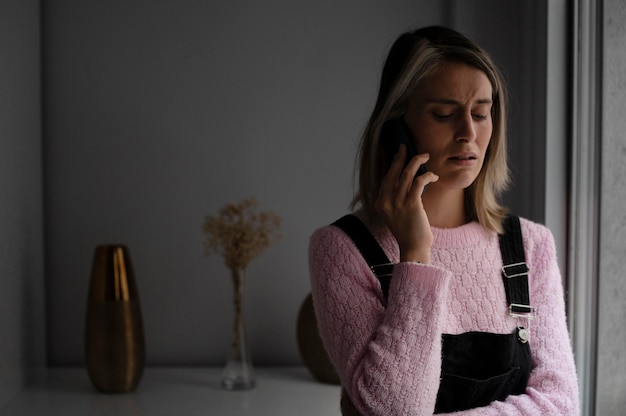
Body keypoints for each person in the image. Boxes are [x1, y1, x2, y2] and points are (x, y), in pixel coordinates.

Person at [308, 26, 579, 415]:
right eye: (444, 114)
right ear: (398, 129)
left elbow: (561, 404)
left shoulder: (531, 245)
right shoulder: (342, 250)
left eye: (481, 113)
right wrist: (415, 255)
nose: (468, 132)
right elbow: (396, 408)